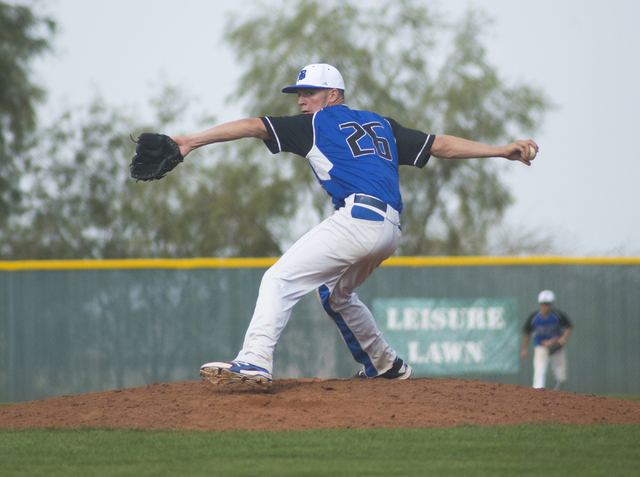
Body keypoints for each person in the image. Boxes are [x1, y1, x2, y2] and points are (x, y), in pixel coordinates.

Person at [171, 63, 538, 389]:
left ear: (333, 94)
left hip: (358, 220)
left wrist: (191, 141)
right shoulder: (382, 123)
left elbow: (253, 126)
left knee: (278, 279)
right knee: (336, 293)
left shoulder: (316, 122)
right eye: (299, 95)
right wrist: (500, 149)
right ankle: (385, 364)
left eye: (309, 93)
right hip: (390, 229)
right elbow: (439, 144)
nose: (302, 101)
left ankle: (255, 360)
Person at [521, 290, 573, 390]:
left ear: (552, 304)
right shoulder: (534, 317)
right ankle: (537, 395)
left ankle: (558, 392)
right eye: (544, 304)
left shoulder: (557, 315)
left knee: (561, 376)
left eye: (548, 304)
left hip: (556, 347)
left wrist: (562, 339)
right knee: (539, 370)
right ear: (540, 304)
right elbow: (526, 332)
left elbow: (569, 326)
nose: (546, 306)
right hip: (541, 346)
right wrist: (524, 348)